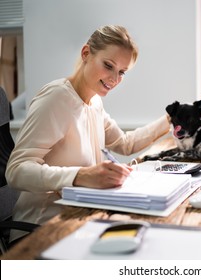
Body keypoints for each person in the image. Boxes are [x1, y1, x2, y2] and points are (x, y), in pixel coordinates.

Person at [5, 25, 170, 242]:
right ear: (86, 54)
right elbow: (16, 171)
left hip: (80, 217)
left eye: (122, 72)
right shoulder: (56, 98)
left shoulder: (94, 102)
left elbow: (124, 144)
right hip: (41, 227)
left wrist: (170, 119)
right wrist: (80, 176)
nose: (114, 79)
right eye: (108, 66)